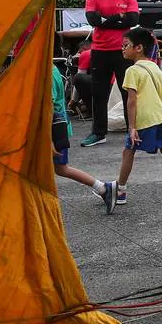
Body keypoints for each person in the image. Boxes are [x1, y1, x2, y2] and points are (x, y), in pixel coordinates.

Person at [102, 27, 162, 209]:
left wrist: (132, 126)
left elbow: (131, 101)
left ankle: (120, 190)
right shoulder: (154, 67)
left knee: (128, 151)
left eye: (126, 45)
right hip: (161, 117)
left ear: (138, 48)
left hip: (144, 119)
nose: (122, 49)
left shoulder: (132, 71)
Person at [81, 0, 140, 147]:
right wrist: (118, 18)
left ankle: (133, 130)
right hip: (99, 51)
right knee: (99, 93)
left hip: (123, 52)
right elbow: (93, 20)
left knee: (128, 92)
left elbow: (133, 19)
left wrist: (106, 20)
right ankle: (98, 132)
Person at [50, 61, 116, 211]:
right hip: (58, 127)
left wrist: (48, 140)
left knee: (60, 168)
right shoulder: (51, 69)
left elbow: (49, 105)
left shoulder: (46, 72)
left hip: (53, 129)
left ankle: (103, 188)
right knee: (60, 168)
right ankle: (103, 188)